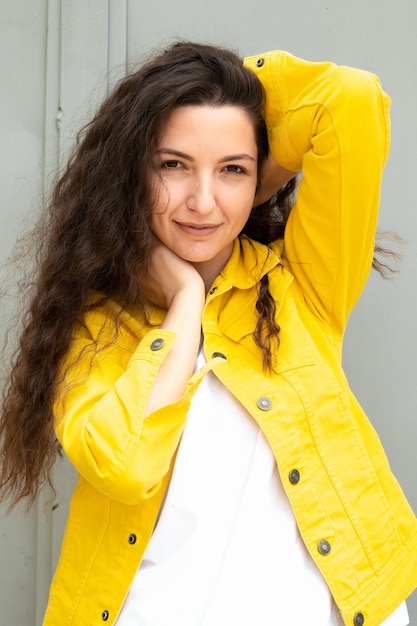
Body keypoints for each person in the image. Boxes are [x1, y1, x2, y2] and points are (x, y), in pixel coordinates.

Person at [1, 40, 416, 626]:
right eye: (173, 165)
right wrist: (184, 300)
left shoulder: (300, 288)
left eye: (232, 170)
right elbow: (126, 466)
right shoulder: (93, 328)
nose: (202, 201)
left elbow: (348, 100)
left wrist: (231, 88)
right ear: (131, 174)